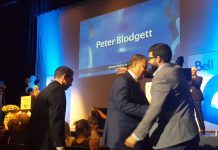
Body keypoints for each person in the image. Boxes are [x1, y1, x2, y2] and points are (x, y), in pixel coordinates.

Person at [125, 43, 199, 150]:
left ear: (158, 58)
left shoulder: (161, 77)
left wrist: (136, 135)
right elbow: (159, 73)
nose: (149, 61)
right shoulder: (176, 69)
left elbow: (155, 109)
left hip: (174, 140)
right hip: (189, 133)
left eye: (150, 58)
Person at [103, 54, 150, 150]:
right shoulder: (122, 80)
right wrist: (151, 109)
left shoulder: (132, 81)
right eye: (144, 67)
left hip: (128, 136)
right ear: (135, 64)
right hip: (122, 137)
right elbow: (123, 105)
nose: (145, 70)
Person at [28, 66, 74, 150]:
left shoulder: (47, 89)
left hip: (36, 141)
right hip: (47, 143)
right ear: (64, 77)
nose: (71, 84)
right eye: (71, 79)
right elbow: (56, 119)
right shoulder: (58, 90)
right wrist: (60, 145)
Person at [190, 67, 205, 134]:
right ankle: (193, 129)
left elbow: (197, 84)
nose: (192, 71)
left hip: (196, 98)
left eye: (193, 70)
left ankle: (202, 128)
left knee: (199, 113)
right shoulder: (187, 79)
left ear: (196, 71)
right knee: (190, 114)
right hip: (189, 98)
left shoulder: (199, 78)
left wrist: (189, 78)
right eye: (191, 70)